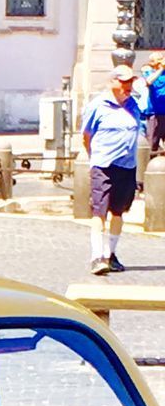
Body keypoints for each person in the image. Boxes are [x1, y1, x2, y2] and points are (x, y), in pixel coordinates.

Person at [82, 65, 143, 276]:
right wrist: (94, 157)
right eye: (124, 82)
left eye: (130, 82)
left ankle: (111, 254)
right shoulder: (97, 106)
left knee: (118, 211)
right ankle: (96, 256)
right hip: (103, 165)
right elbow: (86, 135)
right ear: (113, 82)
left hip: (127, 166)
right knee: (100, 210)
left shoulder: (133, 104)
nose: (128, 86)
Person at [142, 51, 165, 155]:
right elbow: (149, 81)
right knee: (152, 142)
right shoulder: (149, 72)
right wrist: (161, 69)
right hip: (155, 113)